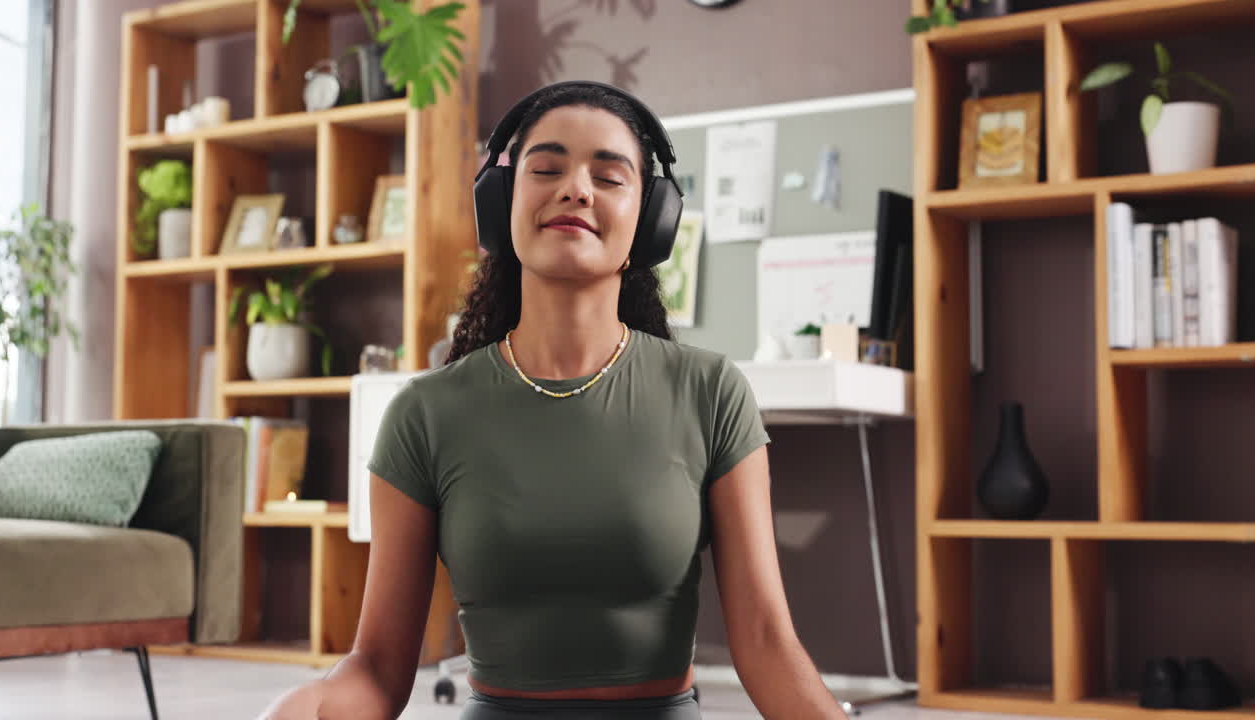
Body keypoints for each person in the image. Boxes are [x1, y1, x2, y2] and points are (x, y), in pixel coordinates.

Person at [258, 81, 849, 720]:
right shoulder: (426, 414)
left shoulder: (710, 392)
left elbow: (765, 643)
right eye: (546, 168)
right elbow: (377, 668)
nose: (575, 189)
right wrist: (309, 708)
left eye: (609, 176)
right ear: (501, 203)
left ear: (652, 220)